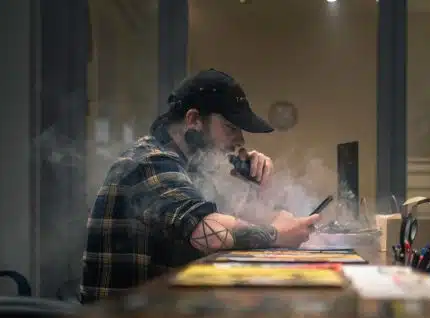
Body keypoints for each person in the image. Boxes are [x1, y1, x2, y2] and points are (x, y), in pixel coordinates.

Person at [80, 69, 321, 303]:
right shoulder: (151, 162)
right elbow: (210, 236)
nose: (240, 140)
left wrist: (254, 185)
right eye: (230, 127)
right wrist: (276, 234)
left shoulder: (187, 169)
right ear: (193, 120)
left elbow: (231, 221)